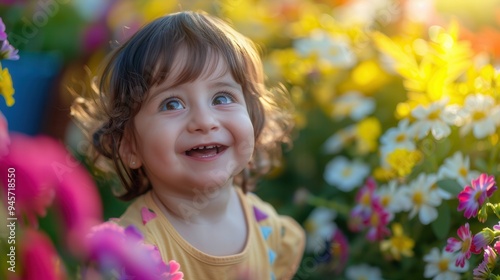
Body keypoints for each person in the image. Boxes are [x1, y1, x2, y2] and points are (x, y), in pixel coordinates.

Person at [72, 10, 305, 280]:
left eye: (221, 97)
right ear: (129, 146)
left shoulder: (268, 228)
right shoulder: (134, 254)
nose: (205, 121)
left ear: (252, 119)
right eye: (172, 104)